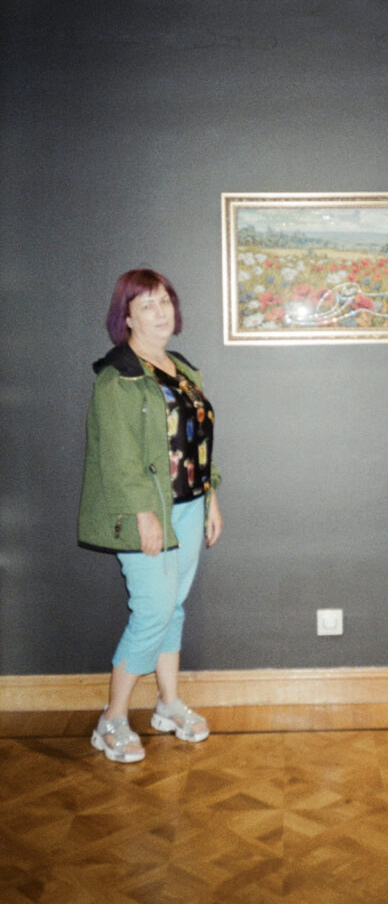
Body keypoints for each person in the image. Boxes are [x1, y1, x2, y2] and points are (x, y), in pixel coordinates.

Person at [78, 268, 223, 763]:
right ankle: (112, 719)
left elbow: (197, 441)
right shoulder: (117, 376)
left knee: (172, 608)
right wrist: (143, 513)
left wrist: (211, 496)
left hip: (189, 506)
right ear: (127, 318)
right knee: (153, 611)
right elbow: (118, 458)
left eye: (164, 301)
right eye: (147, 305)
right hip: (148, 511)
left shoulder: (183, 370)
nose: (160, 312)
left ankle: (168, 704)